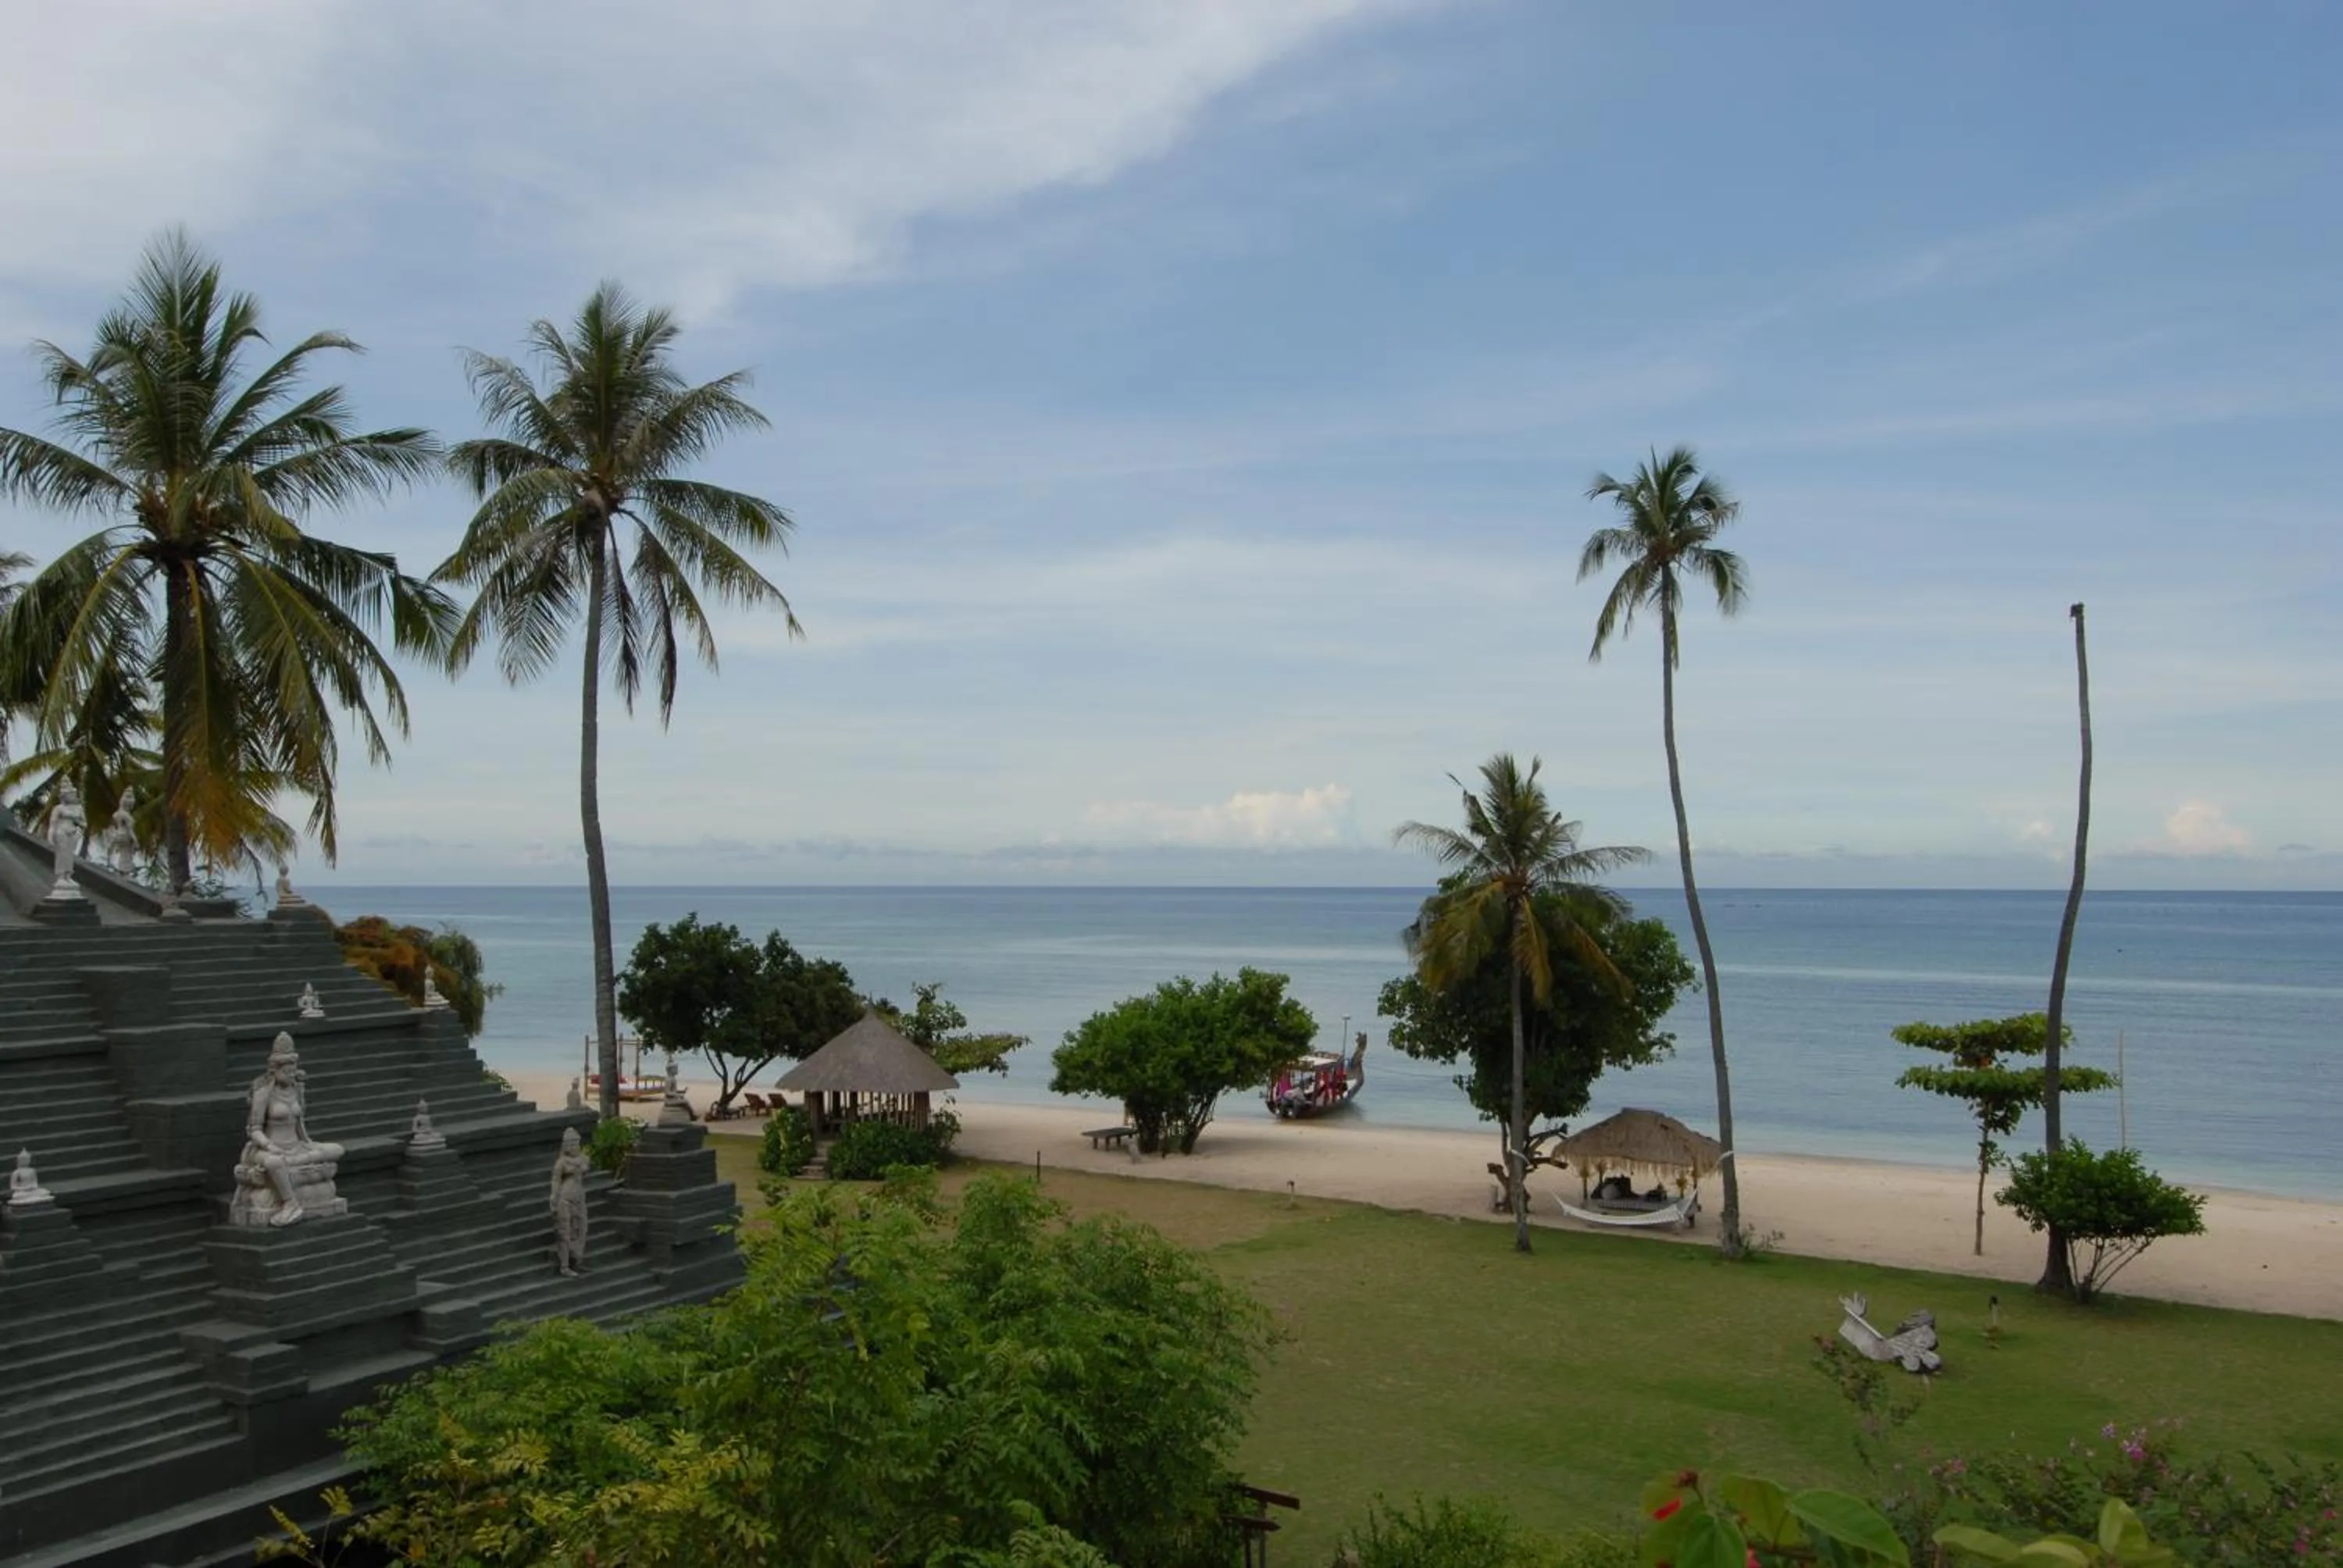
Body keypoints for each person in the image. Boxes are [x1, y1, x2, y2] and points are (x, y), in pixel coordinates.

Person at [549, 1126, 590, 1276]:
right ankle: (565, 1266)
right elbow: (556, 1181)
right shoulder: (561, 1163)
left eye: (575, 1144)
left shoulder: (584, 1158)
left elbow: (585, 1170)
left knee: (581, 1229)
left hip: (579, 1198)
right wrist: (554, 1199)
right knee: (565, 1232)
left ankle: (577, 1260)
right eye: (570, 1144)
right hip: (565, 1199)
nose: (573, 1147)